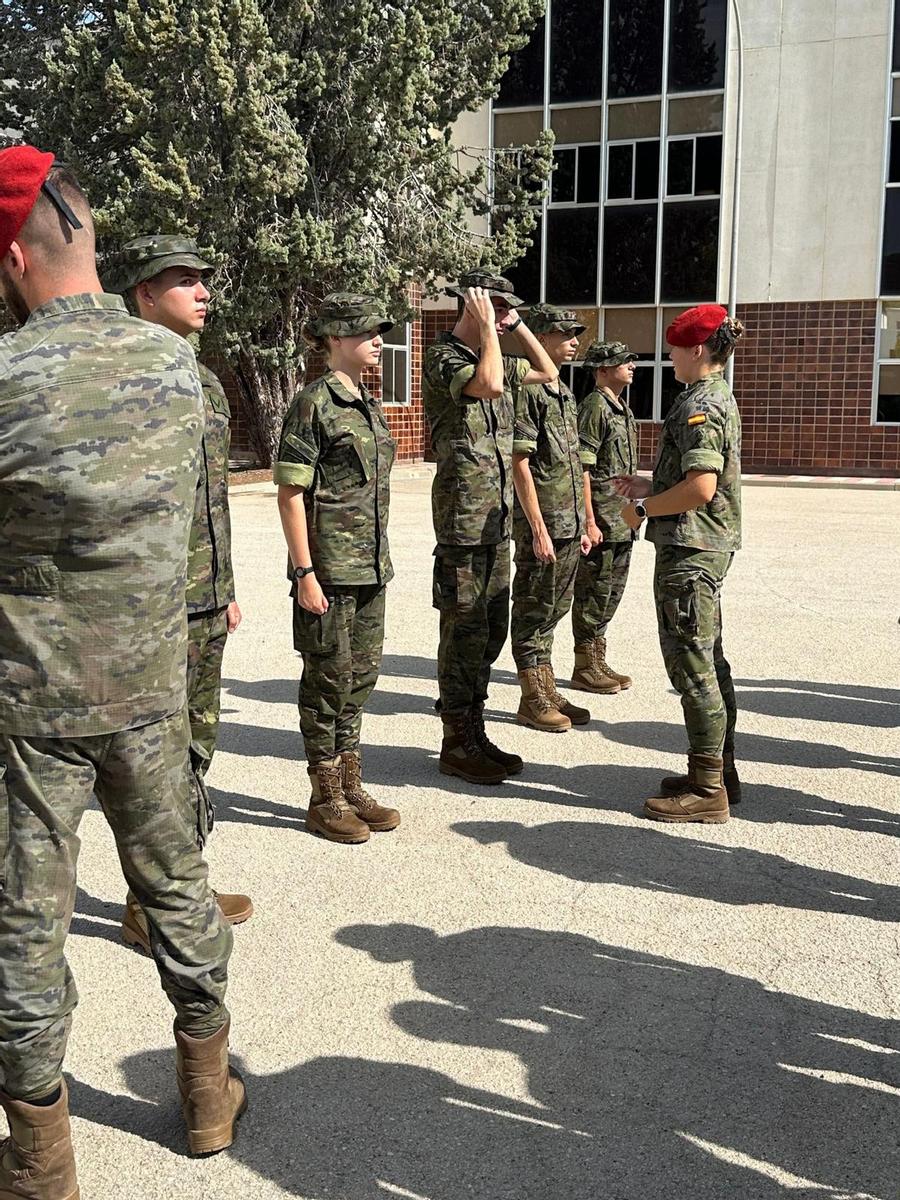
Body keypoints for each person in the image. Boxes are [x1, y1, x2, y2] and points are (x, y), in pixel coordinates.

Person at [0, 146, 244, 1195]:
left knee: (23, 921)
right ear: (89, 244)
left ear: (13, 257)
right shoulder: (177, 371)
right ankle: (206, 1098)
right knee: (179, 890)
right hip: (152, 687)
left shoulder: (6, 381)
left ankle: (40, 1164)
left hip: (30, 706)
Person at [105, 234, 253, 951]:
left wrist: (223, 585)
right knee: (152, 762)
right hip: (153, 608)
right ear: (142, 294)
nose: (203, 292)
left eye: (204, 279)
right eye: (184, 280)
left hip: (203, 598)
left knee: (196, 750)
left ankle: (181, 886)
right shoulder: (121, 380)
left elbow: (209, 497)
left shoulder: (206, 378)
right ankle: (153, 903)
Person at [274, 293, 401, 845]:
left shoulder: (366, 402)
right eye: (365, 331)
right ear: (333, 340)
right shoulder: (314, 403)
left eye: (379, 332)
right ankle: (324, 796)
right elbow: (290, 493)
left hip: (370, 568)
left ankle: (351, 784)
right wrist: (305, 574)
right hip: (328, 570)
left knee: (360, 679)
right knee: (326, 681)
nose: (377, 340)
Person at [423, 270, 558, 783]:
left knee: (489, 633)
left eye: (507, 309)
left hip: (494, 522)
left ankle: (475, 733)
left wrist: (516, 324)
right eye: (497, 307)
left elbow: (546, 371)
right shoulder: (446, 359)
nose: (503, 318)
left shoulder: (493, 349)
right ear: (472, 305)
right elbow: (492, 383)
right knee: (463, 632)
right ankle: (456, 741)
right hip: (462, 522)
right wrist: (485, 328)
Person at [616, 304, 744, 823]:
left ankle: (708, 789)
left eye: (672, 348)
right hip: (700, 546)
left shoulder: (702, 405)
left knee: (692, 665)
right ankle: (717, 772)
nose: (667, 357)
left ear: (697, 350)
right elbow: (693, 479)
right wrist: (652, 486)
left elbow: (701, 487)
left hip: (691, 552)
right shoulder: (708, 397)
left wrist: (642, 508)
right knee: (709, 659)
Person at [510, 304, 592, 732]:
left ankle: (547, 685)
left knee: (554, 609)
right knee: (531, 609)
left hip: (568, 523)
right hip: (542, 525)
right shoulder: (529, 390)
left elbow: (573, 463)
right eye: (566, 333)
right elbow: (519, 463)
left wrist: (583, 522)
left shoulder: (563, 391)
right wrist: (538, 528)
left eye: (576, 333)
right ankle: (531, 697)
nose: (575, 340)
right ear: (541, 338)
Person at [571, 340, 640, 694]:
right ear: (601, 370)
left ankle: (597, 657)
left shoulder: (621, 409)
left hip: (622, 520)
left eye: (631, 360)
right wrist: (589, 520)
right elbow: (582, 468)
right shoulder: (595, 408)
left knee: (611, 593)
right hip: (602, 519)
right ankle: (585, 665)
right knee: (593, 594)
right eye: (622, 361)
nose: (631, 364)